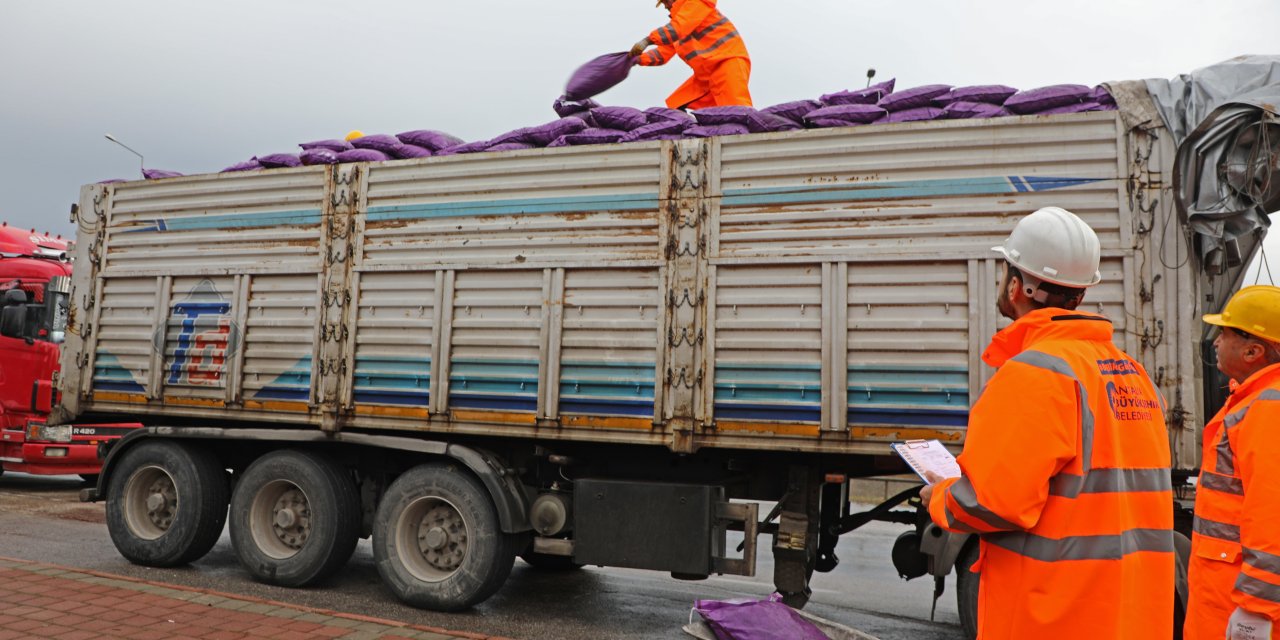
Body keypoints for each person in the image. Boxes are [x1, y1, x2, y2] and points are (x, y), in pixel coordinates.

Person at [919, 206, 1174, 638]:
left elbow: (994, 501)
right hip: (1127, 616)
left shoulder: (1035, 373)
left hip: (1054, 617)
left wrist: (939, 497)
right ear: (1080, 293)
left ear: (1018, 286)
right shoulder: (1131, 372)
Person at [1186, 285, 1280, 640]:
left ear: (1254, 350)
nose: (1215, 343)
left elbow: (1272, 517)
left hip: (1238, 602)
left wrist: (1256, 611)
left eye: (1224, 334)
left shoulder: (1268, 409)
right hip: (1225, 595)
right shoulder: (1255, 402)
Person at [627, 0, 752, 109]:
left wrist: (647, 40)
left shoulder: (696, 3)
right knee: (677, 103)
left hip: (728, 63)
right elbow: (663, 53)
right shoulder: (679, 24)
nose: (665, 6)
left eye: (665, 1)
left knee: (738, 110)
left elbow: (679, 28)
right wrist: (637, 59)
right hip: (707, 75)